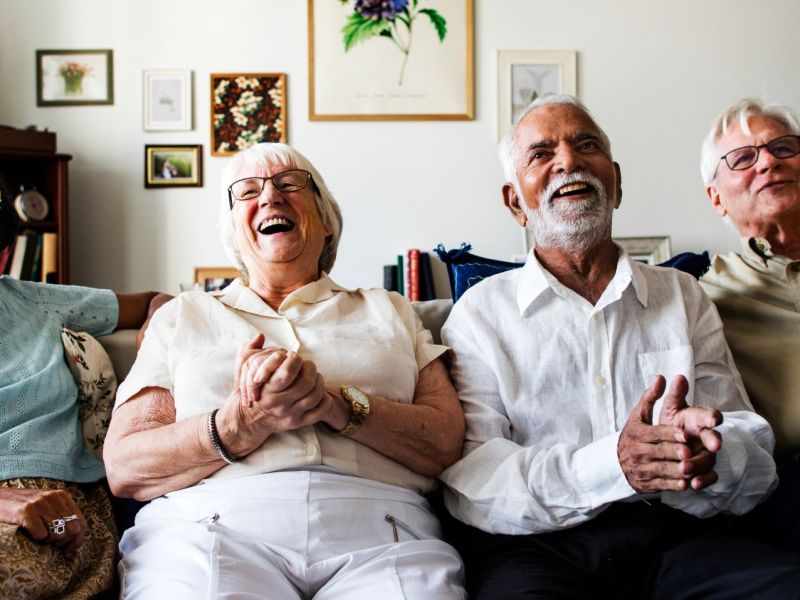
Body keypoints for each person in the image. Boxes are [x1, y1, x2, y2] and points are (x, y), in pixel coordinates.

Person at [439, 93, 800, 599]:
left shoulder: (683, 295)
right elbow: (476, 481)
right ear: (514, 202)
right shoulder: (479, 314)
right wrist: (616, 464)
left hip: (683, 537)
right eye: (542, 154)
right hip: (541, 549)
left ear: (617, 183)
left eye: (586, 145)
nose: (569, 160)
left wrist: (709, 455)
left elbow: (751, 450)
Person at [103, 142, 467, 599]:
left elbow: (446, 444)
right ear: (233, 232)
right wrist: (240, 423)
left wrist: (334, 404)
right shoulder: (183, 316)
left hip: (384, 532)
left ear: (328, 220)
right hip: (208, 529)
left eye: (290, 184)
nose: (270, 197)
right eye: (247, 191)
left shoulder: (390, 309)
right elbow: (126, 466)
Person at [0, 187, 162, 598]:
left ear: (3, 256)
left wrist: (161, 331)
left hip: (61, 509)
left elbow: (153, 301)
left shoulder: (29, 301)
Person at [699, 98, 800, 552]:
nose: (770, 163)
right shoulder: (701, 299)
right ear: (716, 197)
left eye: (783, 148)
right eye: (743, 158)